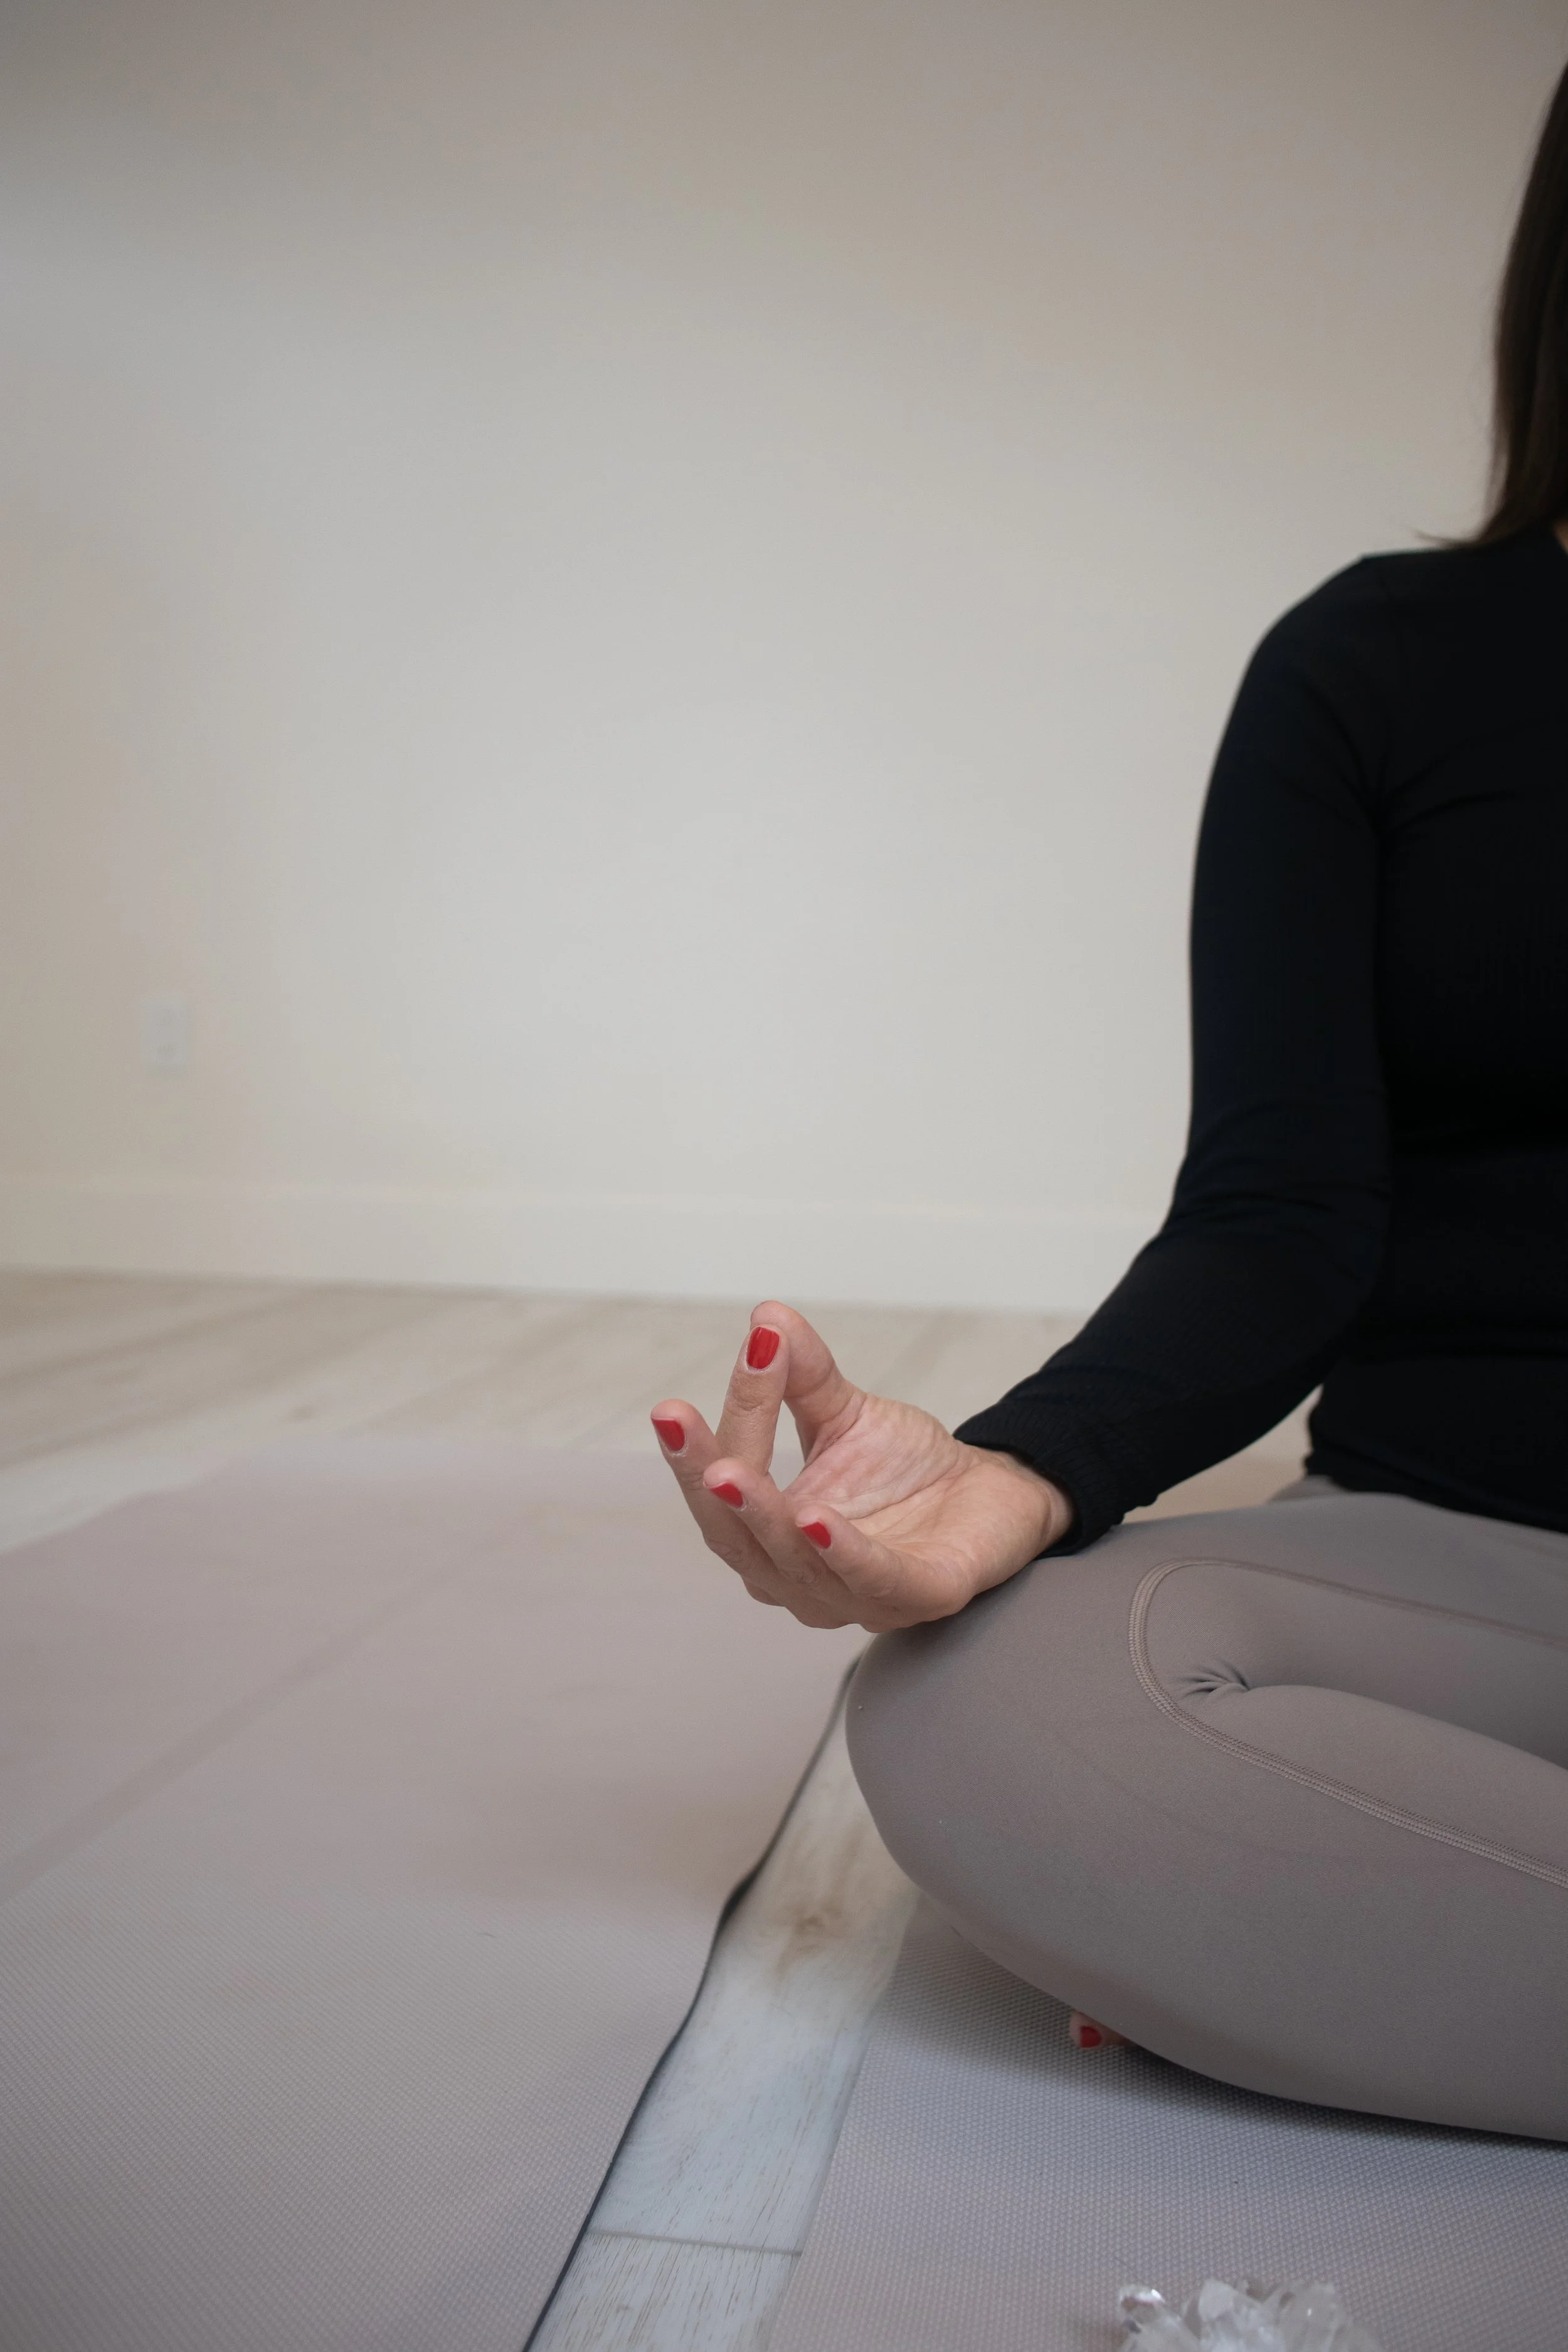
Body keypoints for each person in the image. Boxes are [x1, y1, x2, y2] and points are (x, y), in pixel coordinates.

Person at [651, 58, 1568, 2142]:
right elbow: (1281, 1213)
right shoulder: (1373, 668)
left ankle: (1370, 1950)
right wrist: (1013, 1476)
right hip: (1488, 1557)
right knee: (1000, 1719)